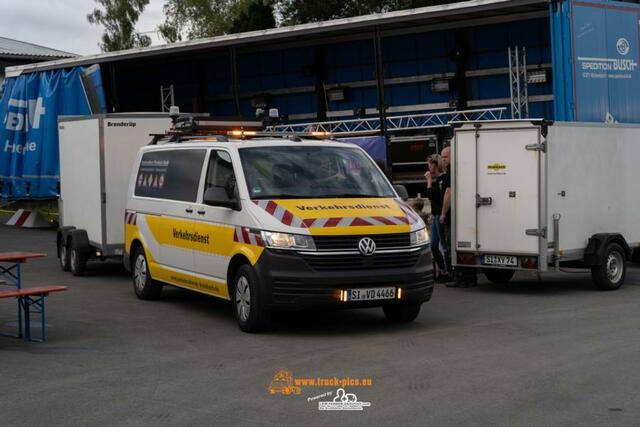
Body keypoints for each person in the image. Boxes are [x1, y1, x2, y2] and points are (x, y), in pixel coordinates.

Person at [439, 146, 477, 288]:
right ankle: (469, 278)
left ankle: (461, 278)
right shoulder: (460, 170)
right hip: (464, 214)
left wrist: (443, 213)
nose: (443, 160)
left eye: (445, 157)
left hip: (453, 216)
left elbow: (448, 193)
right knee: (464, 246)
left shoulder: (451, 173)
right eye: (442, 157)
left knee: (454, 246)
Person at [423, 154, 451, 282]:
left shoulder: (444, 179)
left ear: (435, 165)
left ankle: (449, 271)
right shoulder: (437, 180)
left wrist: (428, 180)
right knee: (433, 244)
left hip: (441, 214)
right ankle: (443, 269)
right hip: (436, 214)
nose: (428, 167)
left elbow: (432, 195)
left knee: (444, 244)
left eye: (429, 164)